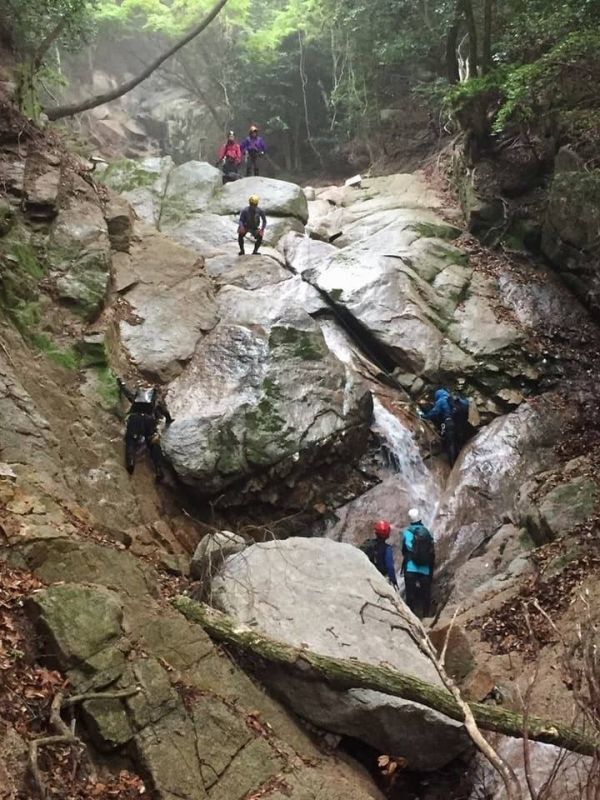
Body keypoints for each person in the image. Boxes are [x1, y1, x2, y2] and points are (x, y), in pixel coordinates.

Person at [117, 378, 173, 482]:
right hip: (149, 420)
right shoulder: (155, 398)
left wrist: (121, 384)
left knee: (131, 439)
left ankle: (130, 461)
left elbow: (127, 393)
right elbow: (164, 411)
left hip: (135, 418)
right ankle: (159, 469)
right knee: (153, 443)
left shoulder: (138, 395)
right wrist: (169, 420)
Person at [419, 387, 470, 465]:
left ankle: (453, 463)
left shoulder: (441, 401)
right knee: (457, 441)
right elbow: (466, 403)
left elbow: (434, 413)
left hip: (449, 423)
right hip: (459, 424)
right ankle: (460, 457)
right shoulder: (453, 399)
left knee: (450, 443)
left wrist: (424, 416)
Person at [401, 508, 435, 619]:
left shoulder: (407, 532)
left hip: (411, 567)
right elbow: (431, 550)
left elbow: (404, 550)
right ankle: (426, 616)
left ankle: (410, 617)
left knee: (410, 594)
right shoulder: (427, 532)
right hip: (424, 568)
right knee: (426, 594)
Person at [360, 520, 398, 588]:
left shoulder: (367, 543)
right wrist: (394, 580)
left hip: (367, 575)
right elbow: (390, 566)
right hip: (381, 577)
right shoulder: (387, 548)